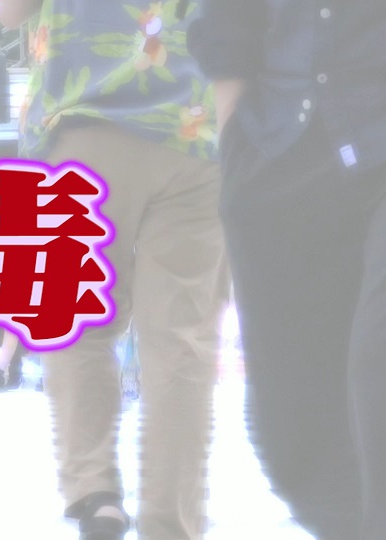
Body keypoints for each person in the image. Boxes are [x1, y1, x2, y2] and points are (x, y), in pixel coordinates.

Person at [0, 1, 230, 538]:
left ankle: (96, 494)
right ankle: (171, 519)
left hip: (83, 125)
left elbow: (9, 12)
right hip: (194, 129)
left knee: (78, 322)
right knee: (182, 340)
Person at [188, 3, 386, 538]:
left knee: (378, 364)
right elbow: (226, 19)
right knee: (292, 419)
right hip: (282, 145)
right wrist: (234, 145)